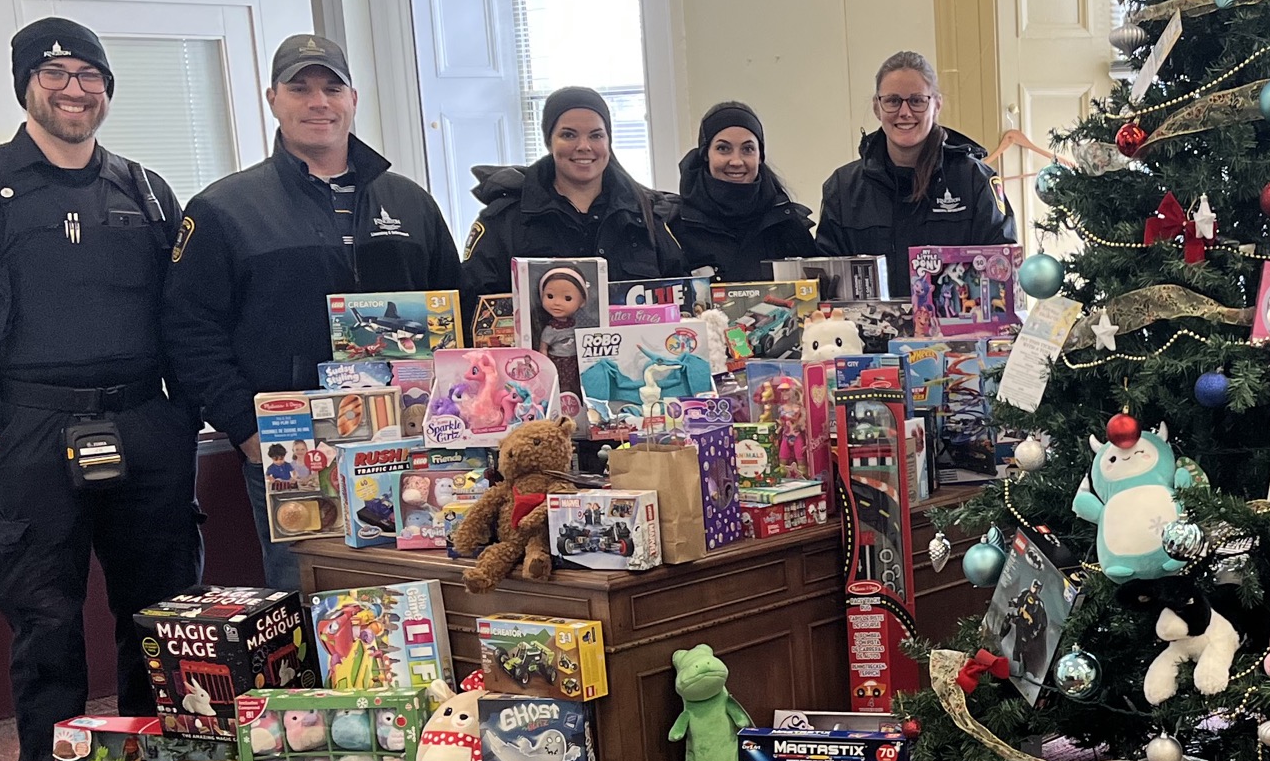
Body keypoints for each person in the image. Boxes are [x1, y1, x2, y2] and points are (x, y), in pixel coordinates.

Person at [0, 18, 202, 761]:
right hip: (32, 431)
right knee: (46, 627)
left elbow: (185, 315)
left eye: (90, 74)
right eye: (55, 74)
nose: (75, 89)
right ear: (24, 86)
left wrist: (182, 415)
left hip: (146, 427)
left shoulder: (146, 189)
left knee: (157, 621)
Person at [162, 33, 460, 593]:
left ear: (353, 99)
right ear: (273, 98)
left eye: (331, 87)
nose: (317, 101)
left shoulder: (411, 202)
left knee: (422, 598)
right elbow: (187, 333)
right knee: (313, 604)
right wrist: (246, 428)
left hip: (416, 445)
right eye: (300, 88)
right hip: (294, 450)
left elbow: (456, 314)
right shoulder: (224, 210)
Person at [460, 86, 686, 316]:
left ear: (609, 141)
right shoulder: (505, 219)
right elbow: (476, 308)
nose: (584, 146)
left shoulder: (647, 213)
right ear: (549, 141)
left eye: (596, 135)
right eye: (568, 135)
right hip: (537, 351)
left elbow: (683, 298)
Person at [819, 50, 1013, 301]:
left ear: (937, 105)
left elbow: (1002, 268)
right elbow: (827, 284)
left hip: (958, 336)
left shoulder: (975, 182)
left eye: (917, 100)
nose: (905, 112)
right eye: (892, 101)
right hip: (867, 336)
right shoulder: (843, 188)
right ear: (877, 108)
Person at [672, 100, 816, 282]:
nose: (736, 161)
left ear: (759, 156)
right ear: (705, 154)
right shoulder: (676, 227)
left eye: (747, 149)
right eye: (723, 148)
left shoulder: (787, 224)